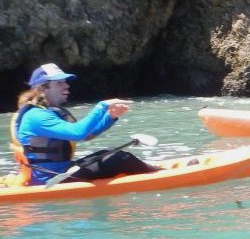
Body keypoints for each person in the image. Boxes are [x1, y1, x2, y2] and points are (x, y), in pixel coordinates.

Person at [10, 63, 157, 186]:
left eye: (65, 82)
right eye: (59, 83)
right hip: (52, 179)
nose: (66, 86)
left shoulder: (50, 112)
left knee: (110, 152)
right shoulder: (36, 116)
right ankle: (159, 175)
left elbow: (86, 135)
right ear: (42, 88)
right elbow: (78, 133)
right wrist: (102, 106)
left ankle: (155, 171)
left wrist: (110, 117)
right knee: (121, 158)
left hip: (62, 172)